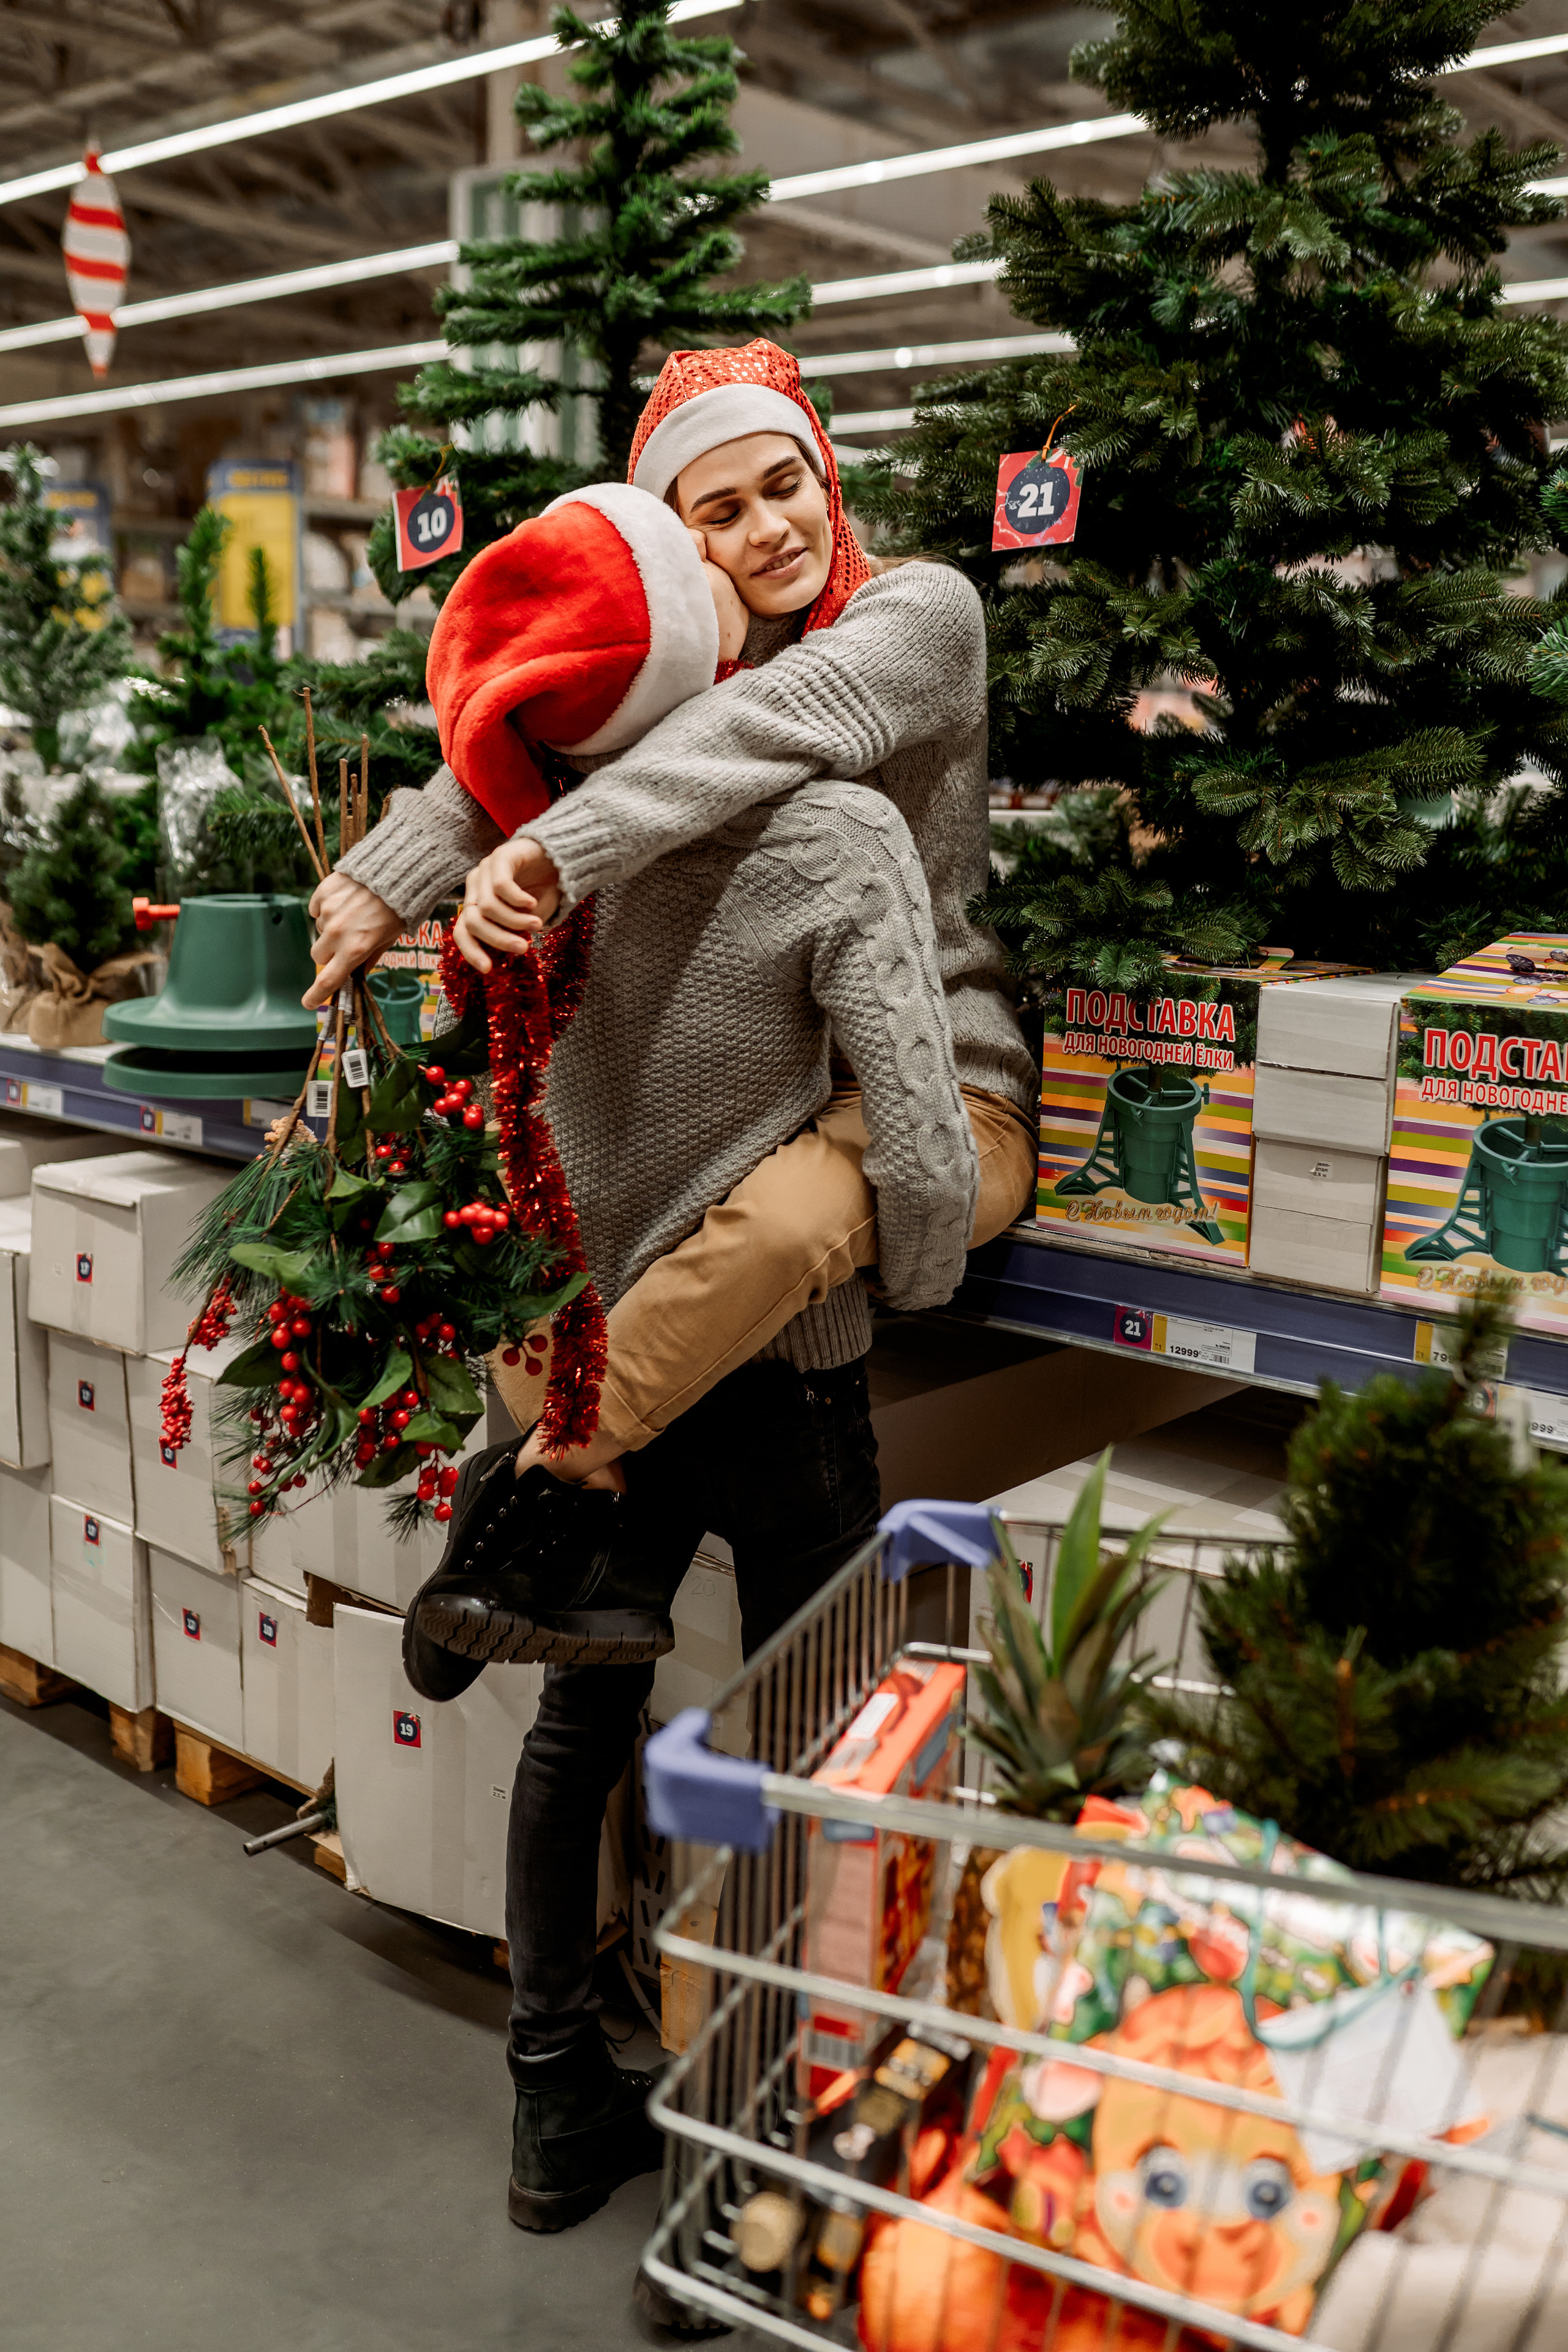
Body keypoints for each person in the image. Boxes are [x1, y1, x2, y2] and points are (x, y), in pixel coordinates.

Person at [303, 475, 983, 2232]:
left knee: (578, 1729)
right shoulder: (829, 833)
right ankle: (770, 2121)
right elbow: (916, 1132)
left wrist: (384, 877)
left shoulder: (543, 842)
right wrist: (916, 1276)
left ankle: (552, 2104)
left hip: (593, 1336)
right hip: (786, 1371)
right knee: (819, 1739)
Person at [317, 341, 1038, 1532]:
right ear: (682, 540)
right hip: (741, 1092)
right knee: (538, 1198)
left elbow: (766, 721)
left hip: (934, 1082)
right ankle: (574, 1490)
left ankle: (554, 1462)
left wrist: (555, 848)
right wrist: (389, 873)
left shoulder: (917, 612)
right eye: (722, 512)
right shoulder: (698, 650)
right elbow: (544, 715)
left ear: (825, 475)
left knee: (786, 1223)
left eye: (785, 486)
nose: (769, 530)